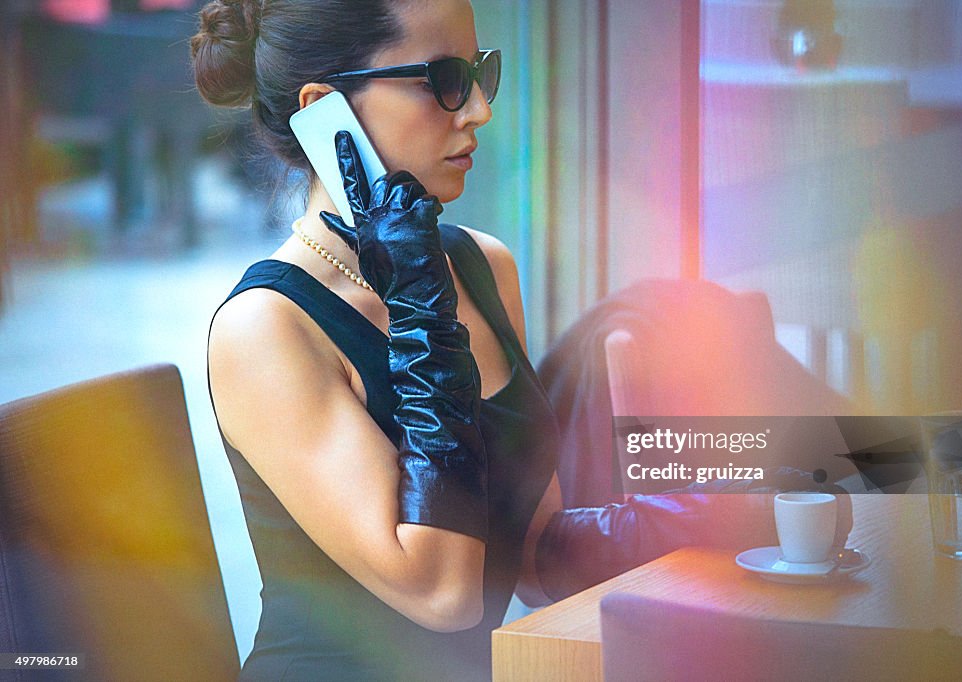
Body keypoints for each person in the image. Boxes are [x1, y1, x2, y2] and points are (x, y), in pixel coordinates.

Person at [194, 1, 851, 679]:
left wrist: (722, 509)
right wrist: (419, 301)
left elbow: (537, 557)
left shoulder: (482, 267)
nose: (477, 109)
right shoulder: (266, 328)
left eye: (480, 74)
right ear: (328, 114)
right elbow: (444, 591)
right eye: (444, 79)